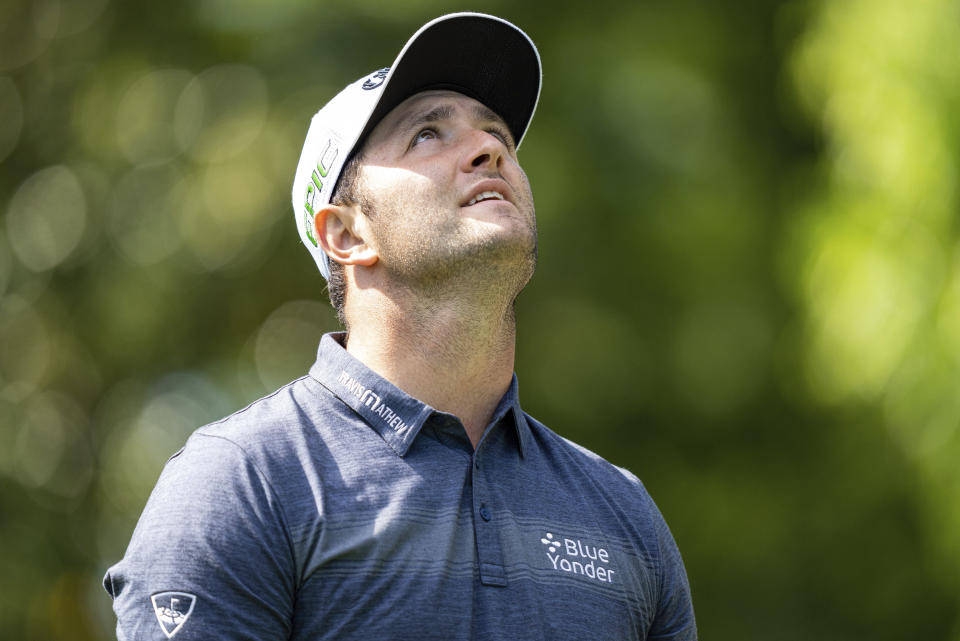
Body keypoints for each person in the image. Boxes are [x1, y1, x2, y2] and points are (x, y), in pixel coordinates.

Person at [103, 12, 697, 641]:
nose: (488, 148)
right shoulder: (242, 484)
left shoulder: (622, 512)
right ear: (347, 233)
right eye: (427, 135)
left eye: (496, 134)